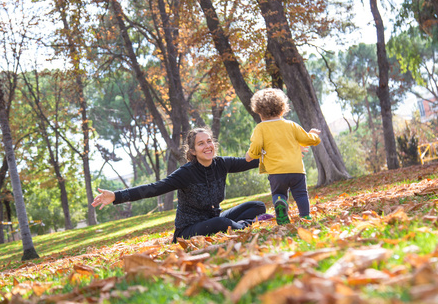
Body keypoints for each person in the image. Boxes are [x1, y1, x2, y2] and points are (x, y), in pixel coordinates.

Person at [92, 127, 268, 243]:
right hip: (188, 229)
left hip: (213, 218)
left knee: (258, 206)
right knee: (220, 222)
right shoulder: (186, 173)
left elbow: (250, 162)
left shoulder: (221, 163)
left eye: (209, 141)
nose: (207, 146)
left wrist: (285, 153)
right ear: (192, 151)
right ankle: (248, 225)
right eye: (201, 143)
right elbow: (155, 188)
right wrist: (116, 196)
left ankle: (246, 222)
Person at [245, 88, 321, 225]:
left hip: (276, 172)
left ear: (259, 112)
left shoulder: (260, 128)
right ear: (282, 109)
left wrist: (250, 155)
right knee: (301, 194)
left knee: (278, 193)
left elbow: (256, 145)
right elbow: (307, 139)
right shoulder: (291, 125)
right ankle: (306, 216)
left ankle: (281, 208)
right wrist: (314, 135)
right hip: (296, 169)